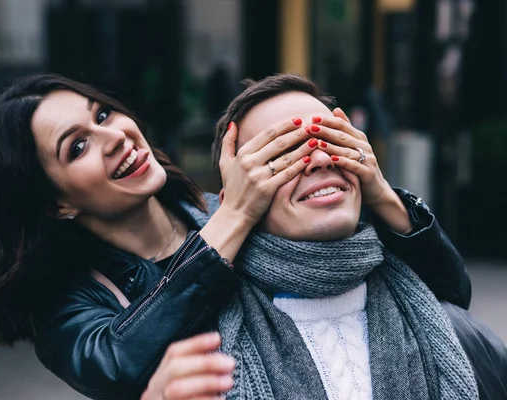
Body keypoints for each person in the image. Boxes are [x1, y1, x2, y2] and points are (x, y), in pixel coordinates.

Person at [0, 74, 473, 400]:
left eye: (103, 113)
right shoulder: (67, 305)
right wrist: (237, 215)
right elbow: (115, 366)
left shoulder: (221, 213)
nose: (116, 137)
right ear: (57, 203)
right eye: (78, 147)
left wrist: (379, 192)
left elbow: (447, 294)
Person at [144, 74, 507, 400]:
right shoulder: (200, 368)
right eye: (284, 153)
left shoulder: (458, 335)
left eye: (331, 140)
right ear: (236, 199)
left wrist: (380, 189)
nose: (319, 160)